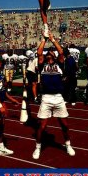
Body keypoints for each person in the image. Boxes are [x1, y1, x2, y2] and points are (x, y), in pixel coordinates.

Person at [32, 31, 75, 159]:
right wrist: (44, 39)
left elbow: (61, 52)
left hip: (58, 97)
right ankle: (38, 148)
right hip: (46, 97)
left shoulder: (59, 63)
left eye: (52, 52)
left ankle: (68, 145)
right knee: (42, 126)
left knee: (65, 125)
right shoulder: (42, 64)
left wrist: (52, 39)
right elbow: (39, 53)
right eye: (48, 52)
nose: (50, 52)